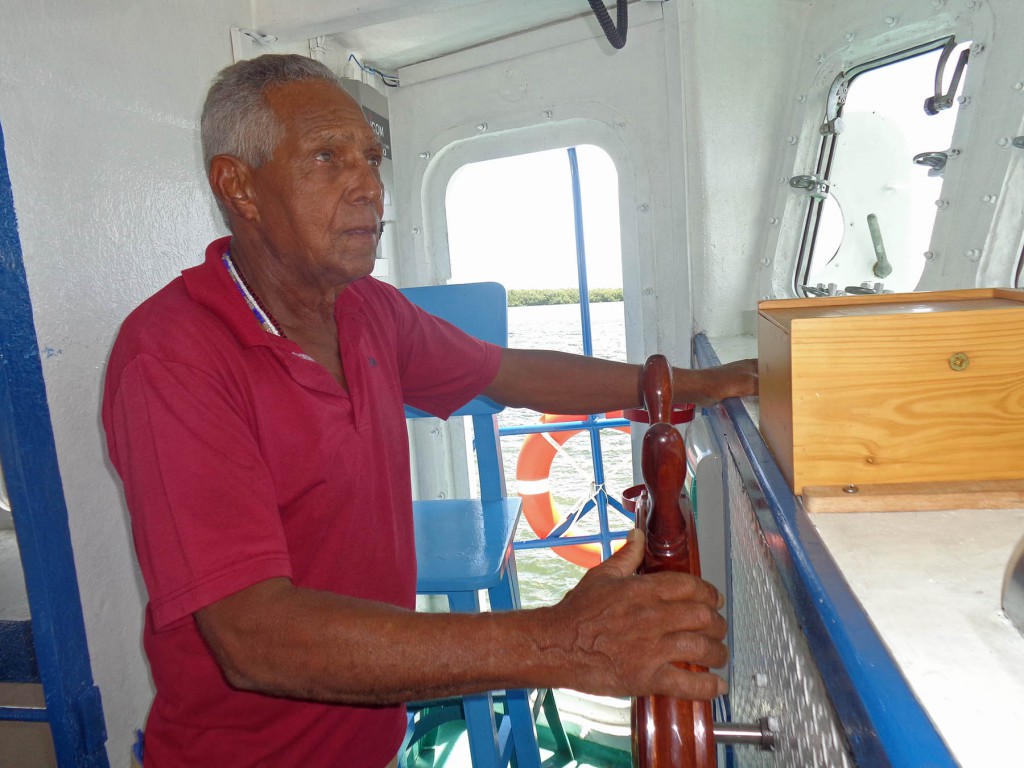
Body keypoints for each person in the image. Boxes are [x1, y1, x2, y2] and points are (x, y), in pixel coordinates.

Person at [102, 53, 758, 768]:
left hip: (372, 740)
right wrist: (561, 642)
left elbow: (510, 372)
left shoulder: (366, 311)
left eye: (372, 160)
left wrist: (693, 385)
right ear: (239, 188)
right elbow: (252, 637)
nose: (368, 188)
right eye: (326, 157)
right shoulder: (172, 357)